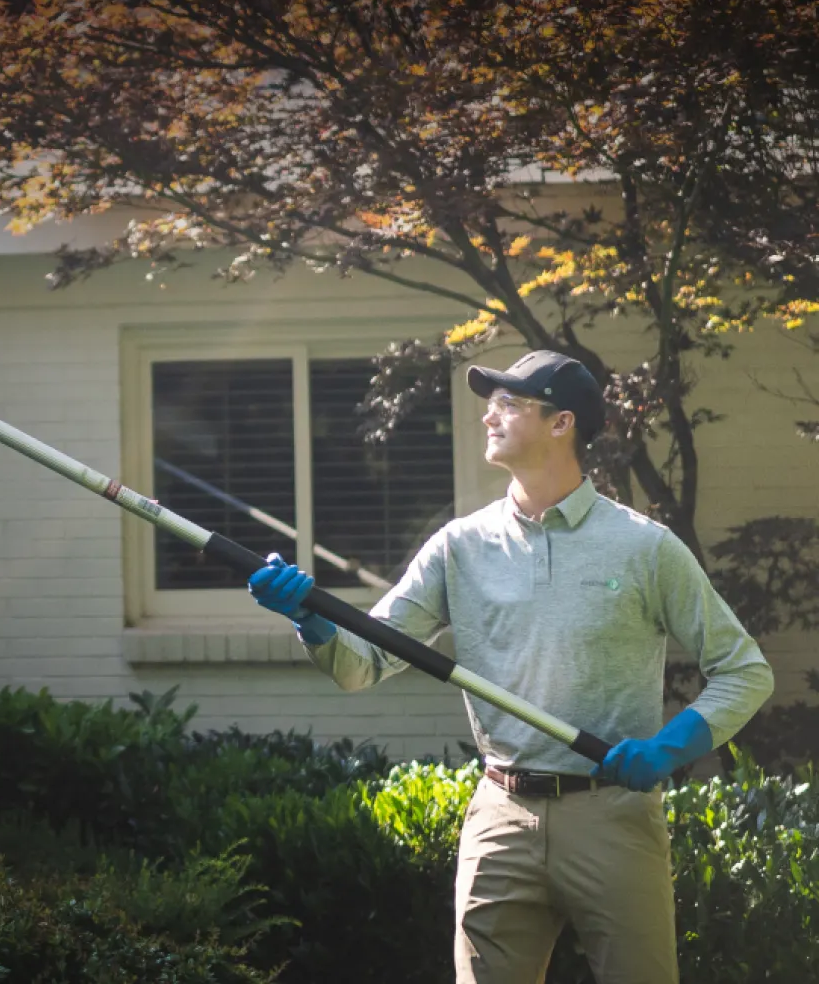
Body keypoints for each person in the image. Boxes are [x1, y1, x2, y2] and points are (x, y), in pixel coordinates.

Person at [245, 349, 773, 984]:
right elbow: (363, 665)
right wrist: (313, 621)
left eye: (510, 403)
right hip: (501, 815)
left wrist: (670, 745)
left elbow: (745, 670)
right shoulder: (459, 547)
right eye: (489, 403)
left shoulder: (645, 547)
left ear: (562, 424)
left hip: (612, 817)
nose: (489, 415)